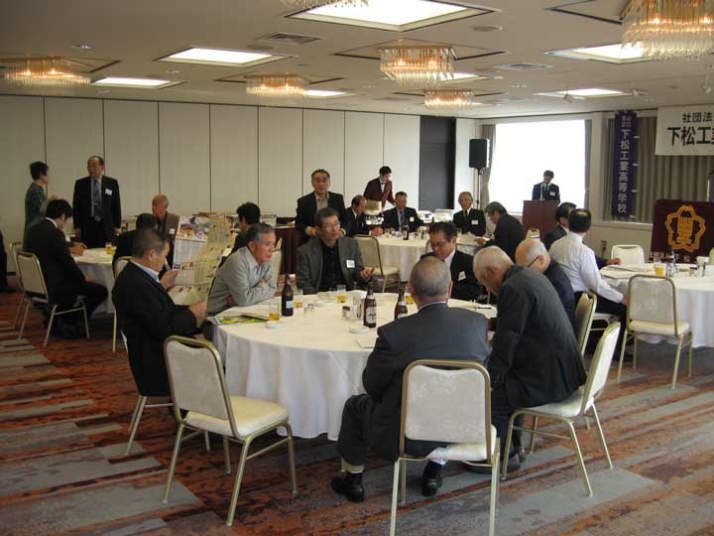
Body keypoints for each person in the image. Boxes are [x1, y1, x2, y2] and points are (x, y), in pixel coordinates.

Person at [330, 257, 490, 502]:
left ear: (410, 291)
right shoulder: (476, 324)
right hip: (463, 425)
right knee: (450, 403)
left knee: (354, 406)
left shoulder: (394, 334)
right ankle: (433, 473)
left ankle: (353, 480)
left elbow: (372, 386)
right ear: (449, 288)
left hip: (405, 433)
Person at [473, 247, 585, 468]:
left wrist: (487, 378)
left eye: (484, 282)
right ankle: (514, 447)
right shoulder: (530, 277)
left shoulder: (512, 288)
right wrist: (491, 324)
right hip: (562, 369)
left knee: (493, 396)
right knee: (507, 382)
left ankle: (501, 457)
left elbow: (506, 344)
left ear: (492, 271)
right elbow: (518, 323)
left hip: (550, 378)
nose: (487, 289)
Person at [112, 229, 206, 397]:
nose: (165, 262)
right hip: (156, 362)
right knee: (219, 361)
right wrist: (193, 312)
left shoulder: (134, 274)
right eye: (164, 256)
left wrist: (161, 286)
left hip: (151, 349)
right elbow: (164, 328)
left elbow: (155, 313)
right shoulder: (138, 285)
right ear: (151, 254)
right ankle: (192, 408)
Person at [24, 199, 108, 337]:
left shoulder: (32, 230)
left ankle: (60, 318)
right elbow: (67, 263)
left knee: (82, 286)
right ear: (62, 216)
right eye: (66, 219)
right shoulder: (55, 233)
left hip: (35, 285)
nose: (65, 223)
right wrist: (82, 278)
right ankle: (73, 320)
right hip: (55, 286)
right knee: (100, 290)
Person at [549, 208, 628, 354]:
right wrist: (621, 298)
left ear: (569, 224)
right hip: (581, 299)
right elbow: (597, 285)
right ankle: (617, 351)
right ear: (588, 228)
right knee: (624, 308)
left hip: (560, 296)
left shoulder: (555, 245)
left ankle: (594, 340)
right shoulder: (584, 251)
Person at [296, 207, 372, 294]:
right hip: (319, 296)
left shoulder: (351, 245)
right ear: (318, 229)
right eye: (328, 226)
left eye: (336, 224)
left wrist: (363, 275)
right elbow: (303, 282)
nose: (334, 229)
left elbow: (357, 272)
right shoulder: (306, 251)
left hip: (345, 295)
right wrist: (317, 298)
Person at [208, 223, 277, 314]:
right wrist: (263, 286)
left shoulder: (266, 259)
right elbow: (244, 299)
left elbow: (273, 288)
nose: (272, 249)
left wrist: (245, 298)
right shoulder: (237, 261)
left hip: (245, 310)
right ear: (252, 246)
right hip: (219, 313)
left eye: (273, 244)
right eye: (267, 244)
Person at [515, 239, 576, 331]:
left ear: (541, 260)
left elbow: (540, 318)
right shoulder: (547, 273)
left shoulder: (554, 281)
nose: (523, 273)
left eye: (526, 268)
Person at [546, 202, 620, 268]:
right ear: (562, 219)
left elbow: (586, 255)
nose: (576, 218)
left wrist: (606, 262)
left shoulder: (575, 233)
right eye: (573, 216)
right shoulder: (553, 235)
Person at [421, 222, 481, 301]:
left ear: (453, 240)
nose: (435, 248)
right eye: (432, 244)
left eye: (440, 244)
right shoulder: (426, 260)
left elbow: (475, 290)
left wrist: (443, 289)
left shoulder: (468, 261)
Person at [72, 156, 122, 248]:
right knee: (88, 250)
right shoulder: (80, 184)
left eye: (94, 166)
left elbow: (116, 204)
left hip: (106, 224)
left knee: (107, 250)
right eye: (89, 166)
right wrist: (77, 227)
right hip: (88, 224)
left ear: (102, 167)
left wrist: (117, 225)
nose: (91, 169)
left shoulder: (111, 183)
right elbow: (76, 207)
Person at [295, 169, 345, 240]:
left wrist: (342, 231)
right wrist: (311, 230)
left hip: (335, 238)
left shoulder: (338, 198)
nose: (321, 184)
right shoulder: (303, 201)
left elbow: (345, 219)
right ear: (312, 183)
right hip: (312, 239)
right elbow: (299, 223)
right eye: (317, 181)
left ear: (329, 182)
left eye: (324, 180)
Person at [25, 161, 49, 233]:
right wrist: (51, 200)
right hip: (34, 230)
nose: (48, 176)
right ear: (41, 174)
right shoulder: (35, 190)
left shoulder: (37, 189)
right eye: (47, 173)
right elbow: (42, 210)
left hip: (36, 229)